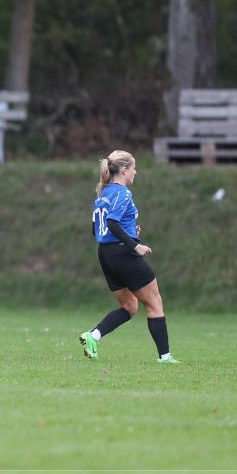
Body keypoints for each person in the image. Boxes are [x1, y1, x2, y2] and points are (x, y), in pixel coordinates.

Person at [80, 150, 178, 363]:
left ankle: (92, 336)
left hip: (106, 254)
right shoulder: (123, 193)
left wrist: (132, 232)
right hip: (123, 253)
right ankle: (165, 357)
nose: (136, 172)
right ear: (124, 170)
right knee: (154, 302)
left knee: (129, 307)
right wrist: (135, 245)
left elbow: (97, 230)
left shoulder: (103, 193)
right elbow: (113, 224)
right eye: (133, 168)